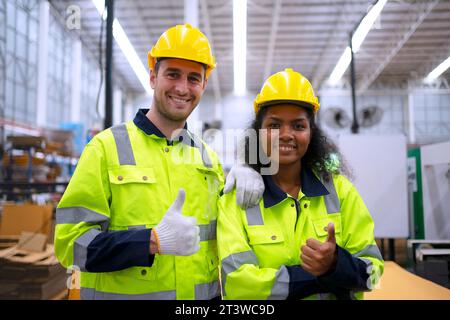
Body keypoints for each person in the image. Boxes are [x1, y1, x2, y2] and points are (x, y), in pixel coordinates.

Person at [54, 24, 264, 300]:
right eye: (173, 74)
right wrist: (149, 242)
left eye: (193, 78)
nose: (182, 88)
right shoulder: (105, 148)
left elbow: (230, 233)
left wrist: (250, 169)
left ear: (203, 85)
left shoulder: (208, 159)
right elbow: (71, 245)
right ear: (153, 77)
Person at [217, 68, 384, 300]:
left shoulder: (340, 191)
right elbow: (239, 285)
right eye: (274, 125)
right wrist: (321, 275)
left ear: (311, 132)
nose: (286, 135)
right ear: (259, 132)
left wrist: (337, 263)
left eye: (298, 126)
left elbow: (374, 275)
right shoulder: (235, 200)